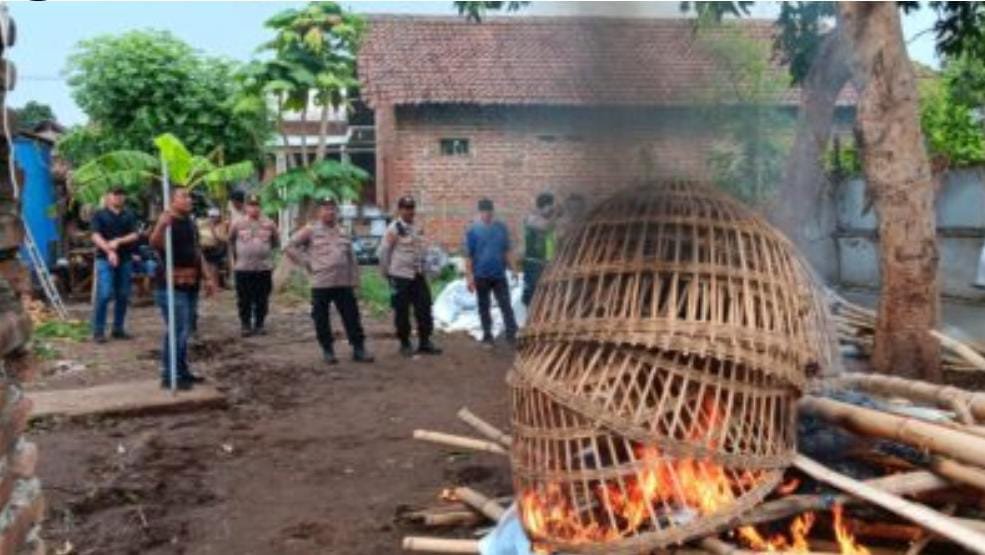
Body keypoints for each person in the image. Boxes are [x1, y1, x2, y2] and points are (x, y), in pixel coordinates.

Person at [286, 198, 374, 364]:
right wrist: (307, 262)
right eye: (326, 209)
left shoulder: (343, 231)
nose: (330, 212)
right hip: (321, 282)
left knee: (352, 317)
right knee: (321, 318)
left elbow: (351, 258)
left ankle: (358, 348)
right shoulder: (310, 230)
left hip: (343, 282)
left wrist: (356, 279)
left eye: (332, 209)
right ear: (319, 212)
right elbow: (290, 246)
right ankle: (328, 350)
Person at [149, 188, 216, 390]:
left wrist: (208, 278)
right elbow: (154, 243)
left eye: (190, 197)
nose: (189, 200)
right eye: (183, 197)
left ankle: (182, 370)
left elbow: (197, 251)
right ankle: (169, 375)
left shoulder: (190, 222)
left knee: (185, 330)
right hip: (170, 285)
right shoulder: (166, 221)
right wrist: (161, 225)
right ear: (171, 201)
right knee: (177, 330)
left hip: (190, 283)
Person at [379, 195, 442, 357]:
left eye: (411, 208)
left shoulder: (416, 227)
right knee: (402, 311)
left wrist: (428, 268)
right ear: (400, 210)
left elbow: (421, 250)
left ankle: (425, 341)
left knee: (424, 307)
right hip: (400, 276)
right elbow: (384, 252)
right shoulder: (393, 228)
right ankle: (405, 343)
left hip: (417, 275)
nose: (409, 211)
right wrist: (387, 273)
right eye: (406, 208)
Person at [465, 198, 518, 347]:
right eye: (484, 211)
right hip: (481, 275)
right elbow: (469, 256)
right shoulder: (473, 231)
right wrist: (469, 278)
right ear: (480, 212)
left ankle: (511, 334)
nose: (487, 214)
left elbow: (506, 250)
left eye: (489, 211)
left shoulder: (501, 228)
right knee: (484, 306)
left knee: (506, 304)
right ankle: (487, 335)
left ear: (493, 212)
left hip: (499, 275)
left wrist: (513, 269)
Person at [90, 186, 140, 343]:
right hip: (104, 259)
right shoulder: (99, 215)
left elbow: (135, 234)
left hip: (125, 259)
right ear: (107, 196)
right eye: (115, 194)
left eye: (121, 194)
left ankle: (118, 328)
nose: (119, 197)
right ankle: (98, 330)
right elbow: (95, 236)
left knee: (123, 295)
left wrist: (118, 241)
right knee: (104, 294)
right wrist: (109, 250)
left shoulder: (129, 215)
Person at [229, 195, 279, 337]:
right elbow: (231, 240)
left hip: (263, 268)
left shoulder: (269, 224)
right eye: (251, 205)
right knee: (244, 298)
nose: (254, 208)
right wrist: (236, 258)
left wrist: (265, 253)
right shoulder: (238, 223)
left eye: (256, 205)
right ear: (246, 207)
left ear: (260, 207)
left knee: (262, 298)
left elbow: (275, 242)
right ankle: (245, 324)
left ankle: (259, 323)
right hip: (243, 268)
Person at [522, 192, 558, 307]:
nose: (551, 210)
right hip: (534, 263)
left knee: (547, 293)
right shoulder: (531, 219)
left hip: (547, 263)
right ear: (544, 206)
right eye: (550, 207)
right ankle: (531, 315)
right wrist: (556, 214)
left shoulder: (548, 220)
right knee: (533, 293)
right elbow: (545, 227)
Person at [198, 207, 229, 289]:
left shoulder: (222, 226)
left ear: (218, 217)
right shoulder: (203, 224)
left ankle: (216, 285)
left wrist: (214, 232)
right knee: (207, 267)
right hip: (205, 249)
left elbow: (224, 239)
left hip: (216, 250)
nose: (212, 218)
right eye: (211, 216)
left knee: (213, 267)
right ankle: (209, 285)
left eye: (214, 216)